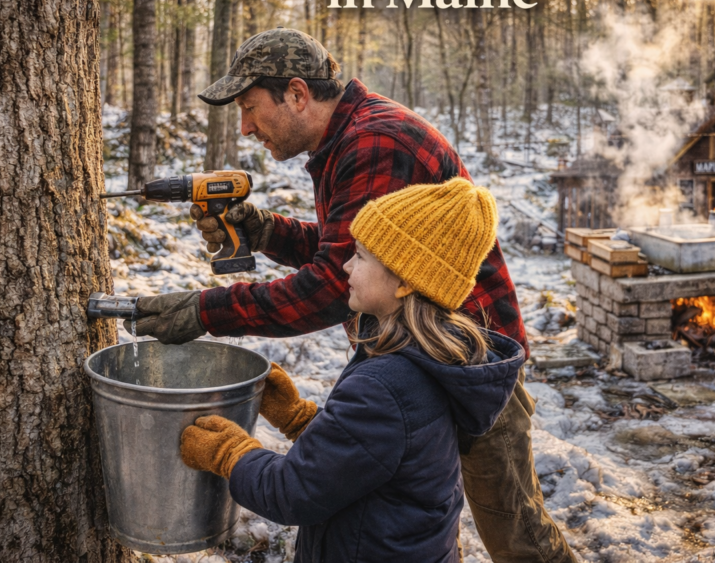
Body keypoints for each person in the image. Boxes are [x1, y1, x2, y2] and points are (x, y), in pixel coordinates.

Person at [130, 28, 577, 562]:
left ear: (297, 94)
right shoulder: (349, 138)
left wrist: (207, 311)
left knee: (517, 537)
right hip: (422, 354)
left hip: (465, 366)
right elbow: (353, 255)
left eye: (250, 108)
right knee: (417, 518)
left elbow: (330, 288)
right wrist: (268, 231)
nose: (245, 127)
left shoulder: (376, 143)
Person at [178, 179, 525, 562]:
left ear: (406, 281)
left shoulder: (388, 384)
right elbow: (373, 455)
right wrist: (300, 420)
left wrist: (230, 453)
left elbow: (294, 493)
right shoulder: (427, 359)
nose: (345, 265)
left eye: (359, 255)